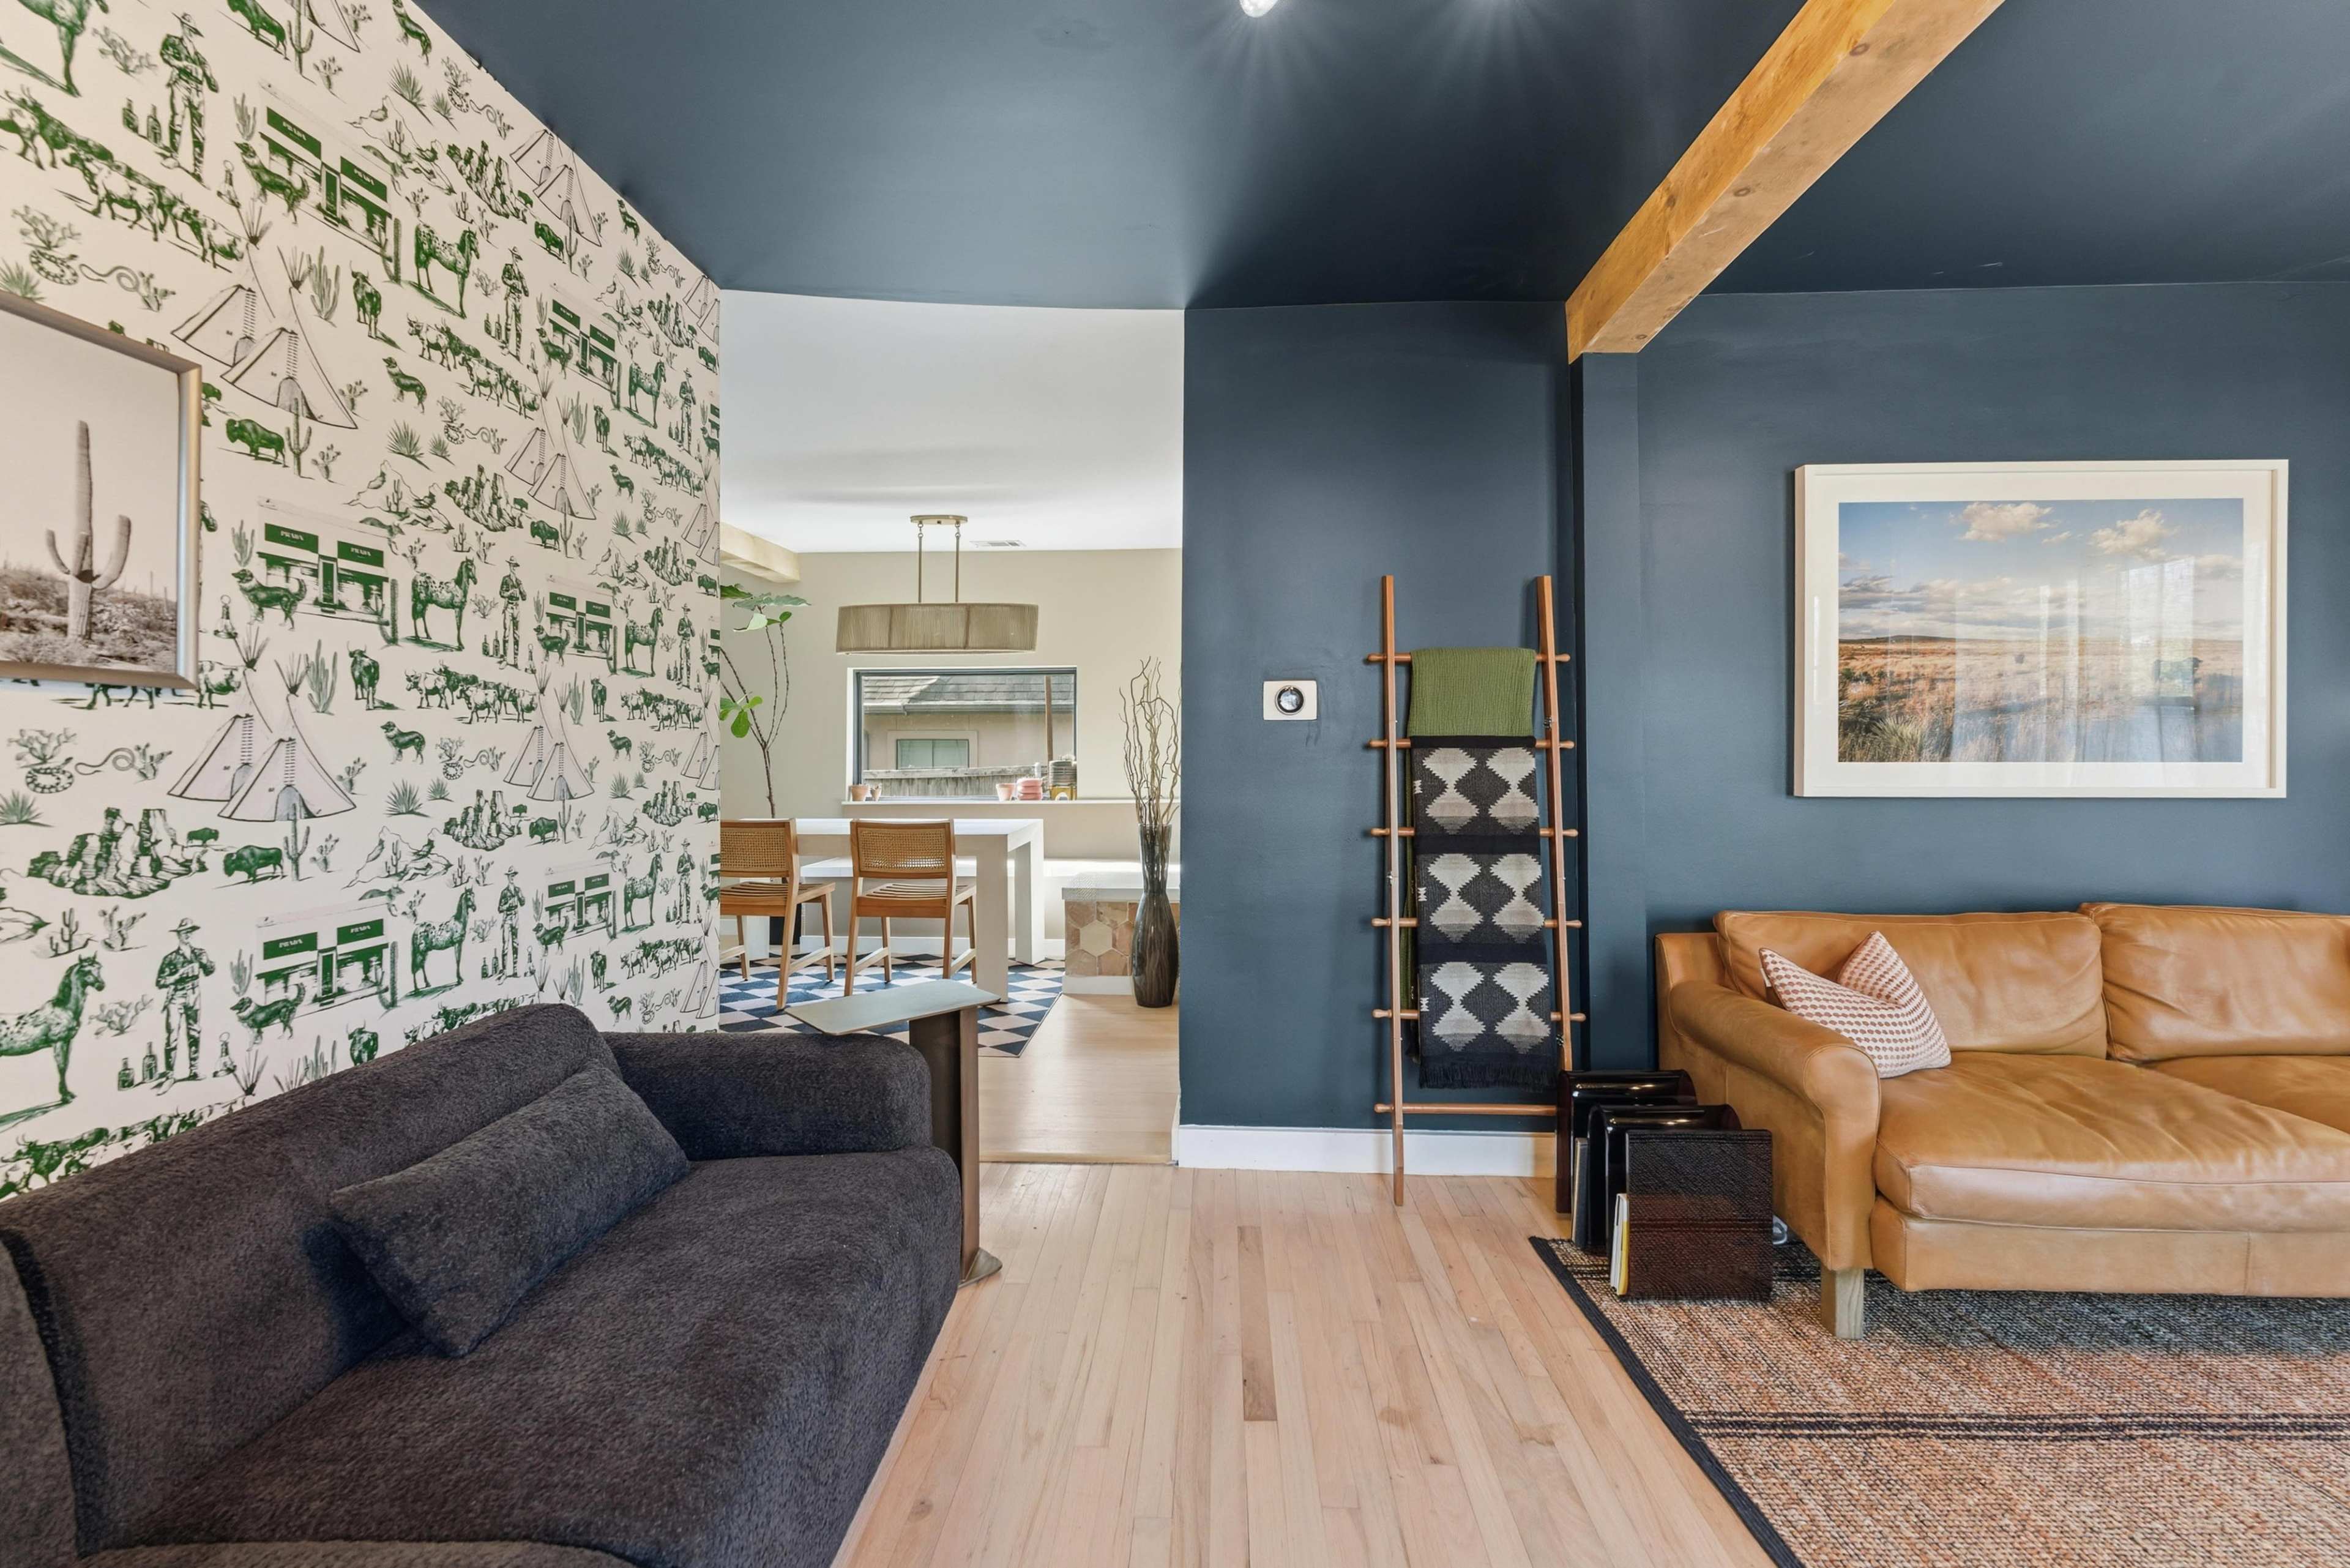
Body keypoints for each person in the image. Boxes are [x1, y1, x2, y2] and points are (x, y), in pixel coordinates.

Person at [157, 917, 215, 1081]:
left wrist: (208, 963)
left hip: (195, 994)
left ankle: (194, 1070)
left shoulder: (199, 953)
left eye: (190, 932)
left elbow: (210, 971)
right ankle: (170, 1074)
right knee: (172, 1035)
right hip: (177, 996)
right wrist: (177, 976)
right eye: (184, 932)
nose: (187, 934)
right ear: (179, 935)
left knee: (195, 1031)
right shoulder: (171, 958)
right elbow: (160, 982)